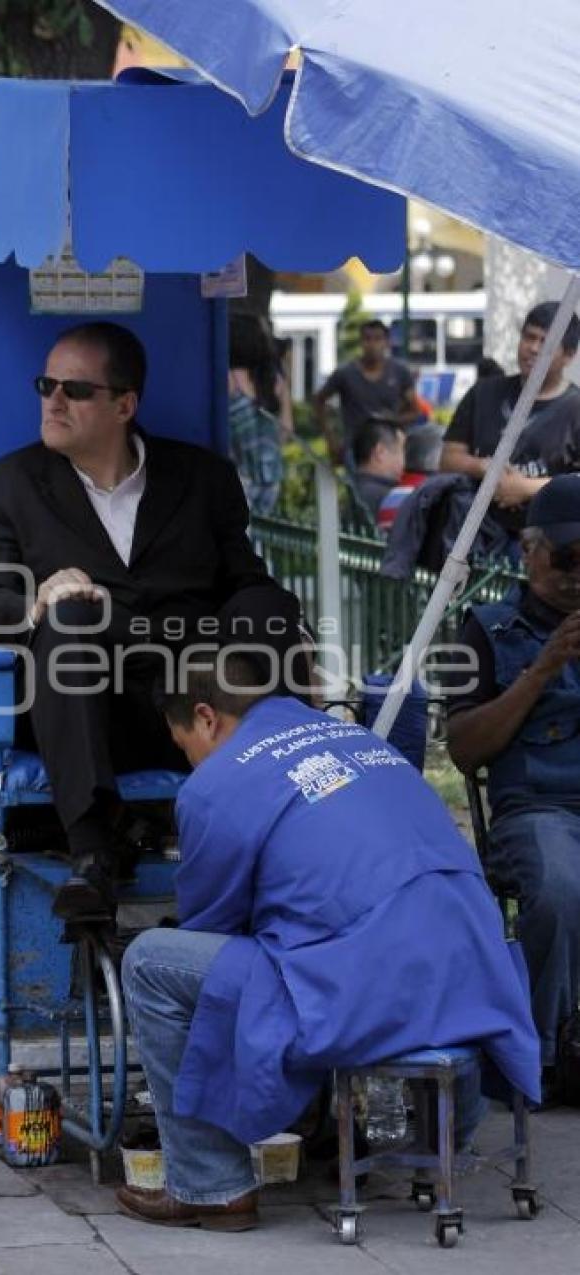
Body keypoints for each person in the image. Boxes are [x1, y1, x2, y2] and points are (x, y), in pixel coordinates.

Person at [116, 654, 540, 1230]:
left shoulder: (216, 785)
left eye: (184, 745)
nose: (191, 761)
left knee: (148, 962)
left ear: (206, 717)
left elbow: (209, 923)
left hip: (364, 984)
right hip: (477, 972)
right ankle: (441, 1136)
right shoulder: (358, 740)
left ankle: (211, 1187)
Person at [0, 322, 313, 922]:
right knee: (70, 610)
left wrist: (279, 628)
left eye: (74, 389)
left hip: (194, 712)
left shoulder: (201, 480)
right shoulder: (9, 487)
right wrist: (36, 603)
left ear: (124, 404)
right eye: (46, 385)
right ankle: (93, 856)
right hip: (84, 711)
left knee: (270, 607)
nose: (52, 400)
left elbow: (246, 581)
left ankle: (282, 840)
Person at [446, 474, 580, 1099]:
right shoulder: (488, 629)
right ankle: (545, 1060)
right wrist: (541, 669)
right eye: (567, 556)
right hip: (537, 810)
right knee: (557, 887)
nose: (578, 573)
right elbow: (466, 747)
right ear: (529, 551)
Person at [441, 302, 580, 544]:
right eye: (529, 337)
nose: (534, 349)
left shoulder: (574, 408)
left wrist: (525, 487)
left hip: (547, 546)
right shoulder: (483, 394)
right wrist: (484, 468)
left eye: (546, 342)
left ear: (568, 355)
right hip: (476, 537)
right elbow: (448, 458)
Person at [313, 319, 419, 465]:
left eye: (377, 339)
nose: (372, 345)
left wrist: (393, 420)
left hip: (389, 449)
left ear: (387, 342)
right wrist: (331, 440)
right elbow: (319, 400)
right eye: (367, 339)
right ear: (361, 343)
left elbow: (414, 411)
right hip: (355, 450)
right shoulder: (346, 373)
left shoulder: (399, 372)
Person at [227, 313, 292, 516]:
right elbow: (287, 429)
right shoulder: (273, 380)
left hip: (238, 479)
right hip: (270, 479)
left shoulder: (228, 378)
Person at [350, 417, 406, 521]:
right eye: (402, 450)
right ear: (380, 452)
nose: (406, 458)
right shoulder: (389, 498)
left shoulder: (349, 490)